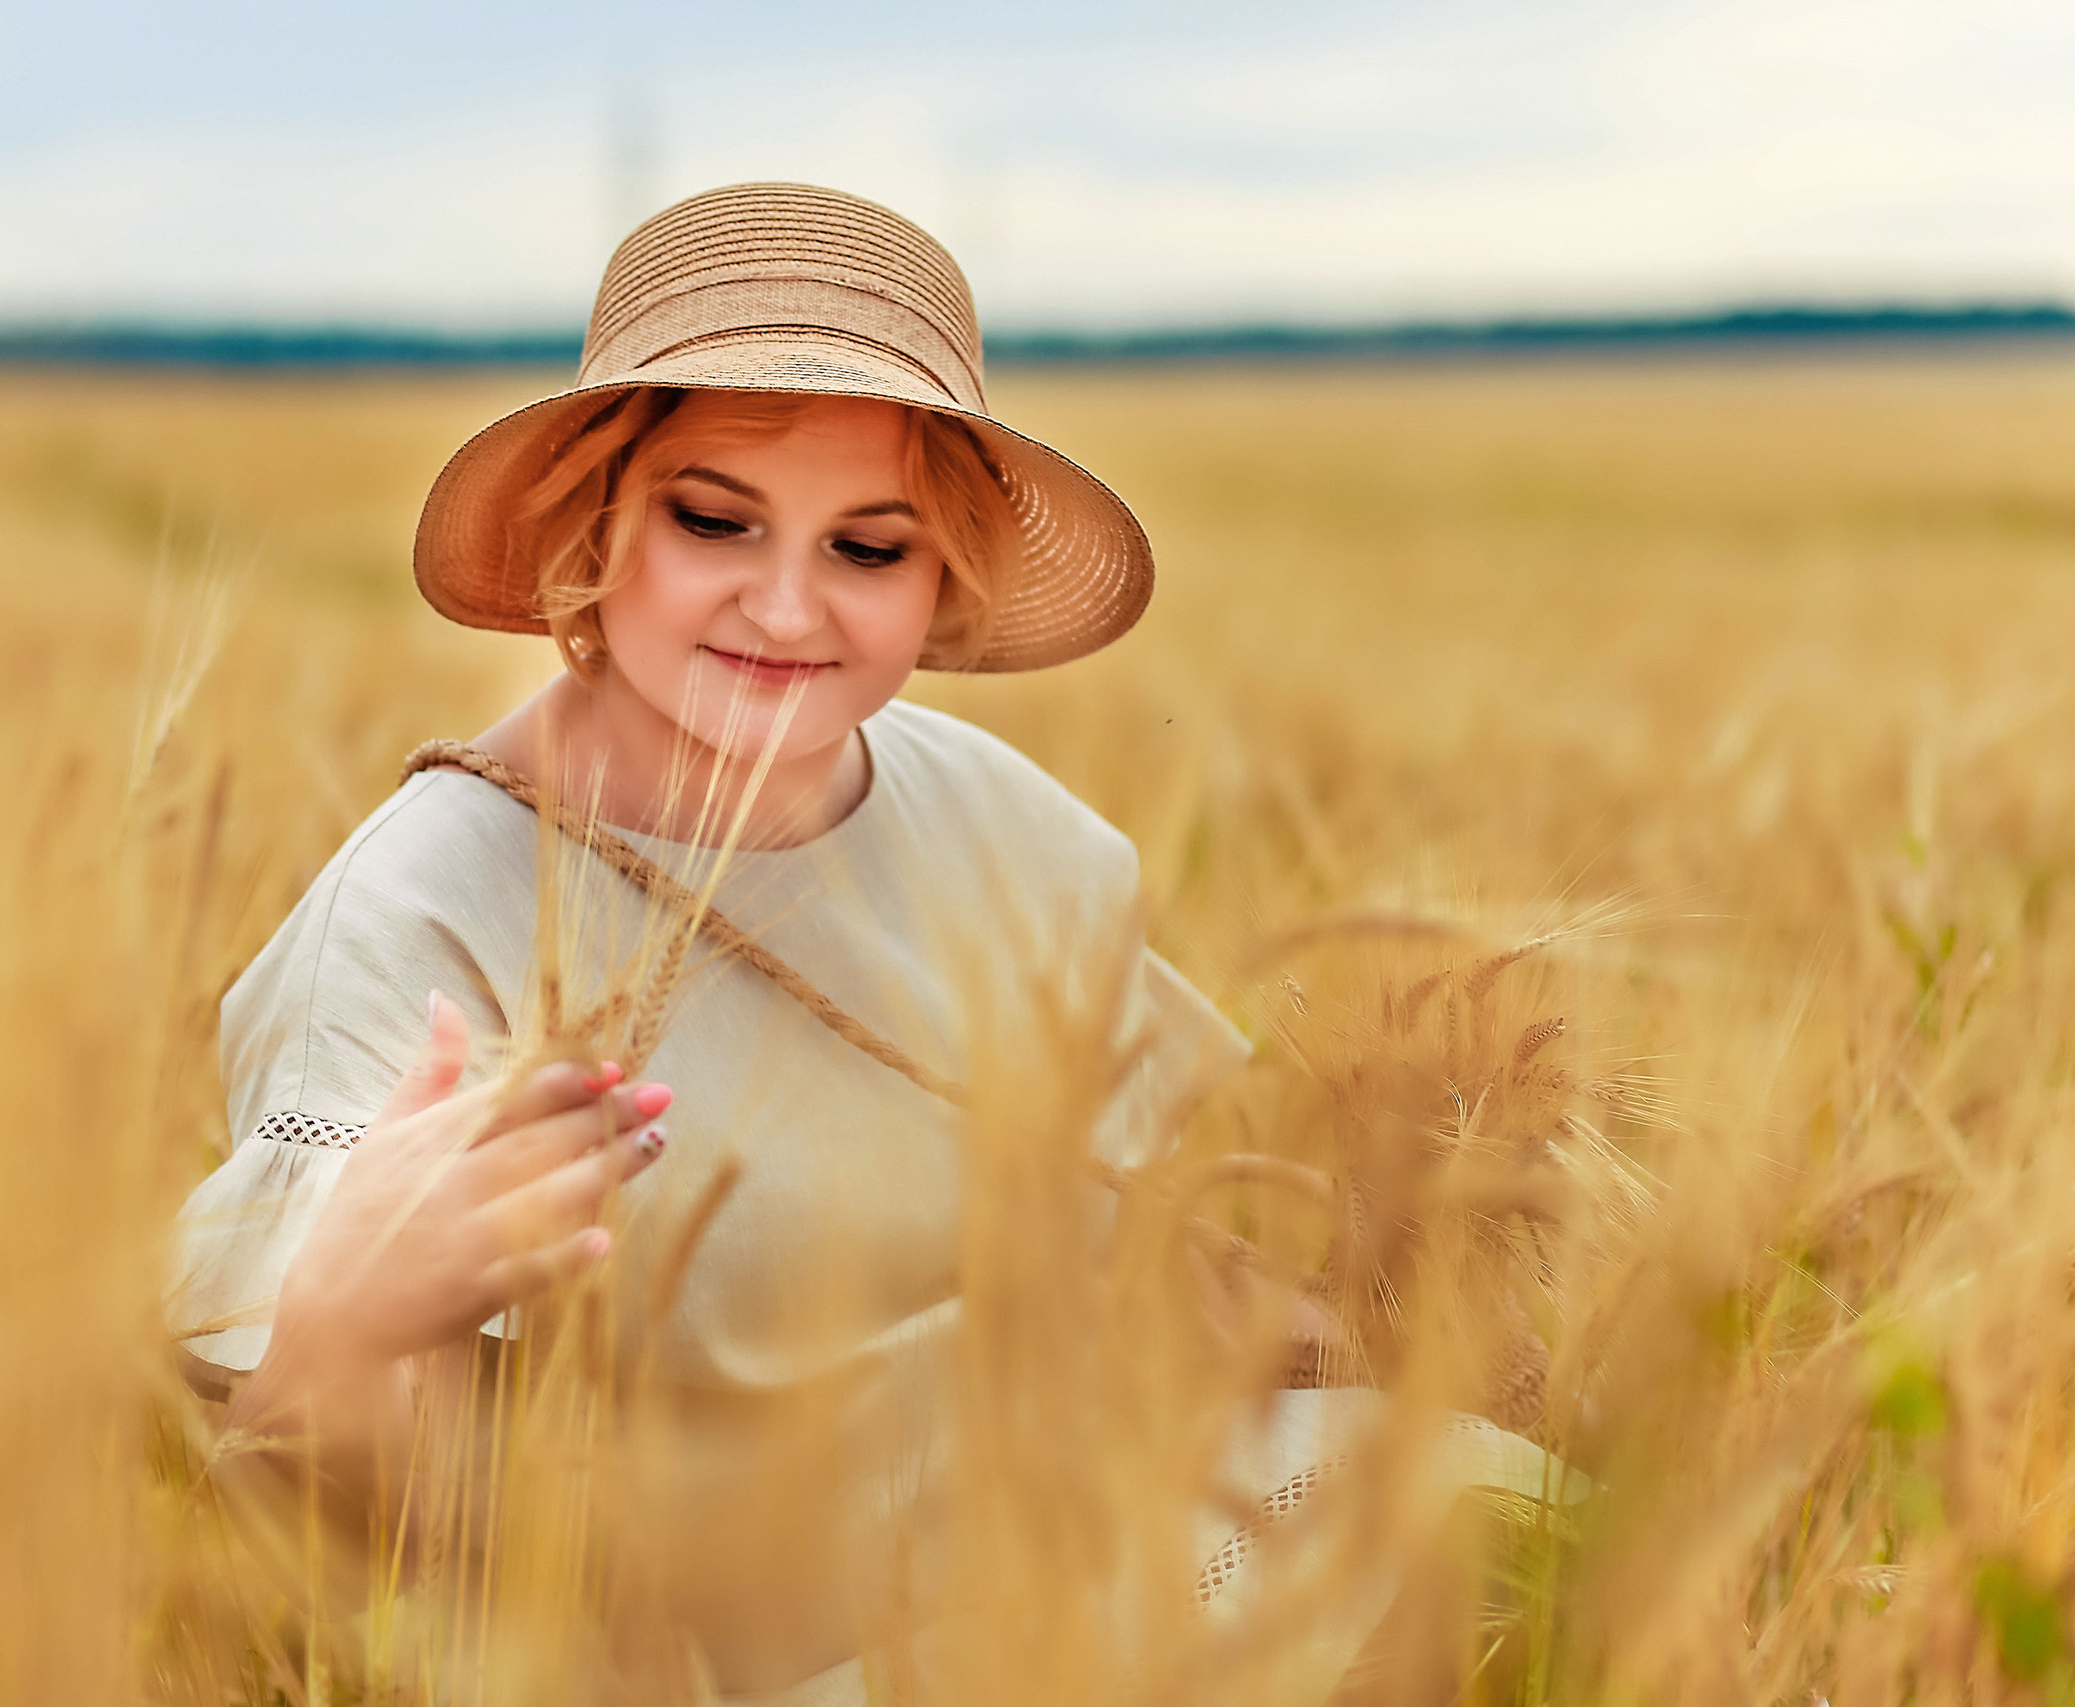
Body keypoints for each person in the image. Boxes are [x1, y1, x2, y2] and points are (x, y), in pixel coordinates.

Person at [168, 183, 1567, 1704]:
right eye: (713, 521)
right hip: (702, 1670)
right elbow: (317, 1520)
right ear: (596, 521)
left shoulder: (1008, 828)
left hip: (1072, 1552)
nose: (786, 607)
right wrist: (349, 1323)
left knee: (1503, 1514)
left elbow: (1186, 1203)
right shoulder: (417, 924)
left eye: (869, 548)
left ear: (942, 576)